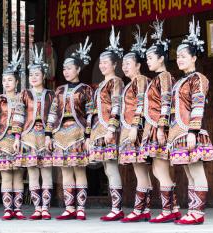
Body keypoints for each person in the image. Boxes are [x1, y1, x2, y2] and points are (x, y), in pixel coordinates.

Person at [169, 17, 213, 225]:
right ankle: (192, 211)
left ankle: (198, 214)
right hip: (179, 132)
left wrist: (193, 131)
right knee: (189, 172)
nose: (179, 59)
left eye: (183, 56)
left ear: (194, 57)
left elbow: (198, 106)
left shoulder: (198, 78)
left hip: (191, 131)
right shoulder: (180, 81)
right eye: (177, 56)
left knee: (196, 171)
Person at [45, 37, 94, 220]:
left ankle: (80, 207)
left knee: (79, 169)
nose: (66, 71)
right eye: (64, 68)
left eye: (69, 68)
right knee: (65, 170)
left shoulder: (86, 89)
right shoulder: (58, 90)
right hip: (60, 134)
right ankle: (69, 207)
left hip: (78, 133)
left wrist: (88, 135)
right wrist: (48, 134)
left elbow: (90, 114)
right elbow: (52, 113)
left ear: (78, 69)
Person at [12, 46, 54, 220]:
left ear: (43, 76)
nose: (34, 78)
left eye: (37, 74)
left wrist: (50, 135)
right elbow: (19, 115)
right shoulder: (24, 94)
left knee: (47, 172)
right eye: (31, 75)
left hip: (46, 137)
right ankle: (37, 208)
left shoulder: (51, 94)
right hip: (28, 136)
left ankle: (46, 208)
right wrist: (16, 137)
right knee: (32, 173)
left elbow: (53, 116)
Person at [89, 26, 125, 221]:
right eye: (100, 62)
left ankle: (117, 208)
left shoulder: (116, 82)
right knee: (106, 168)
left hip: (109, 129)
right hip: (99, 130)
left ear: (114, 64)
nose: (102, 65)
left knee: (111, 168)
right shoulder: (100, 85)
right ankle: (115, 206)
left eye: (105, 62)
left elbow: (117, 105)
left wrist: (112, 127)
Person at [117, 26, 152, 223]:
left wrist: (134, 126)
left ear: (138, 65)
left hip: (137, 131)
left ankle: (140, 210)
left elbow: (142, 104)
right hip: (131, 130)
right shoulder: (131, 83)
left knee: (141, 171)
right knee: (140, 171)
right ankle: (144, 209)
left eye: (128, 63)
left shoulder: (141, 80)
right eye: (123, 63)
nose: (124, 66)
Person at [0, 50, 26, 220]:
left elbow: (26, 120)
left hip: (19, 141)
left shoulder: (22, 97)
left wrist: (21, 138)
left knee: (18, 176)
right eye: (4, 80)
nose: (6, 82)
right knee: (6, 176)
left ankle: (17, 209)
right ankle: (7, 209)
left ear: (17, 82)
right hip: (2, 141)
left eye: (10, 80)